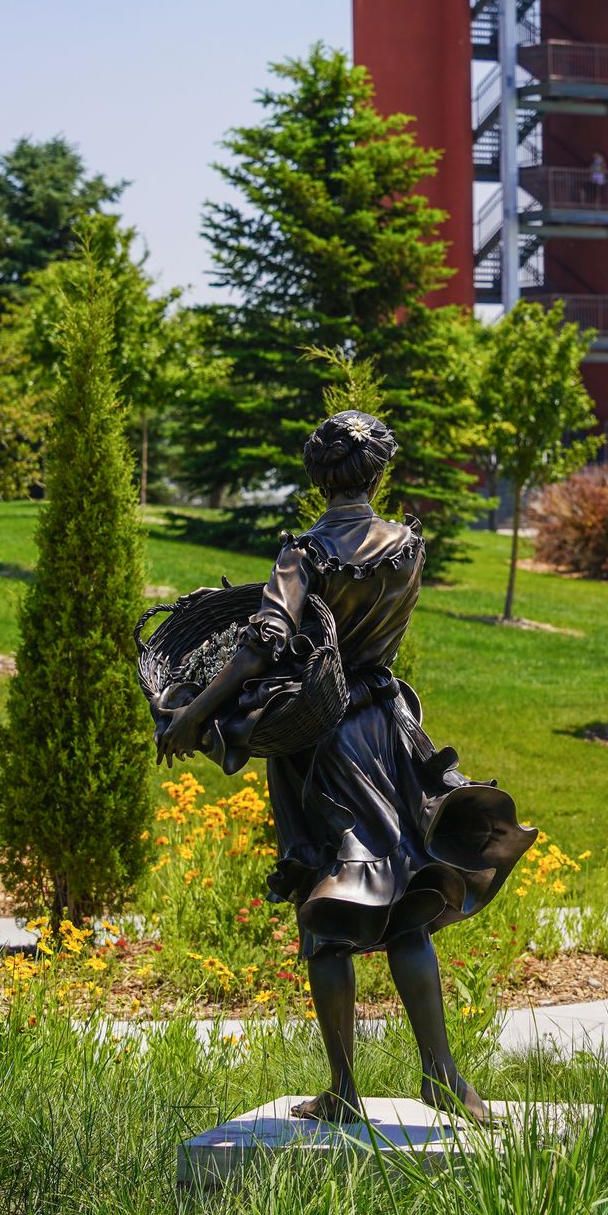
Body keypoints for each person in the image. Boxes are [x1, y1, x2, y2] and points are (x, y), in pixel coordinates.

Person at [155, 410, 535, 1124]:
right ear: (379, 471)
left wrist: (194, 713)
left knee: (326, 909)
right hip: (390, 730)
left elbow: (261, 645)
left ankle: (344, 1090)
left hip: (322, 745)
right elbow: (368, 639)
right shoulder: (408, 548)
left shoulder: (303, 555)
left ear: (316, 475)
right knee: (405, 901)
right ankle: (441, 1075)